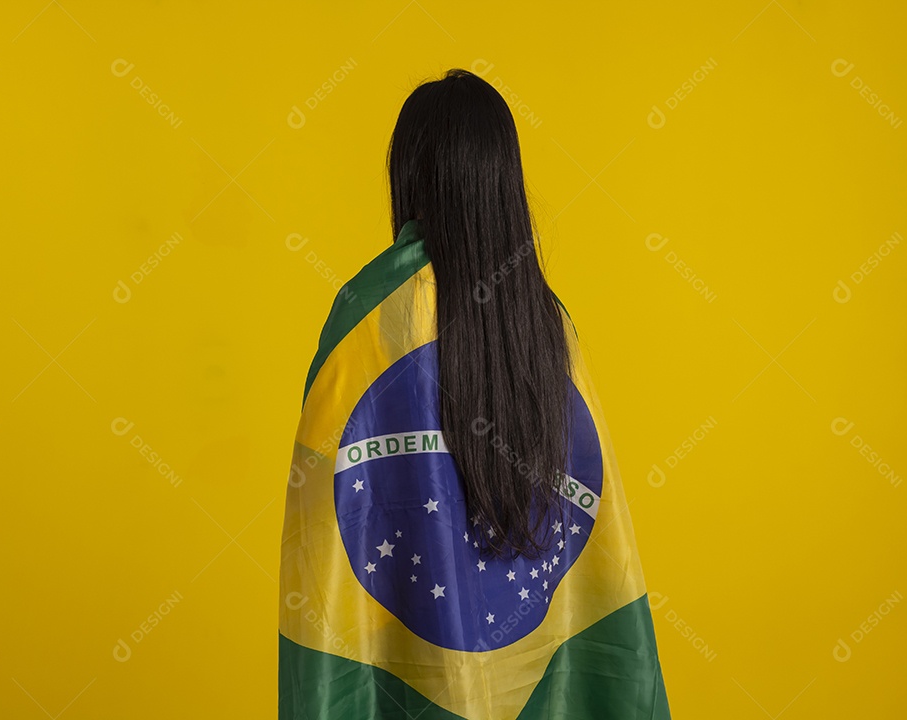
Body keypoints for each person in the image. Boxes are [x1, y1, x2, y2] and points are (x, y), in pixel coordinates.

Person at [278, 67, 670, 720]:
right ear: (502, 179)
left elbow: (319, 532)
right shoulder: (548, 322)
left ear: (409, 176)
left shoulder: (368, 316)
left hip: (404, 674)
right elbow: (597, 527)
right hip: (532, 677)